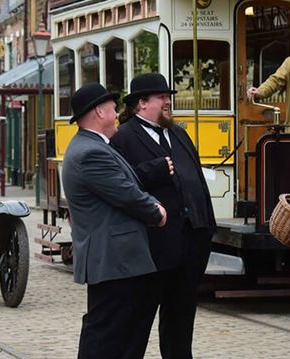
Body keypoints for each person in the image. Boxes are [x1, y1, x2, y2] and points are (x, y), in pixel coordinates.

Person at [111, 73, 216, 359]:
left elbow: (197, 181)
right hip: (152, 247)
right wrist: (151, 171)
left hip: (190, 242)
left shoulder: (179, 133)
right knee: (140, 319)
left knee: (181, 320)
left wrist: (207, 227)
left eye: (168, 96)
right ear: (141, 104)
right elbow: (119, 185)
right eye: (161, 97)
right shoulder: (123, 137)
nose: (168, 101)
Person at [61, 83, 167, 359]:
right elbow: (127, 194)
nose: (118, 113)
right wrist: (156, 210)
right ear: (99, 111)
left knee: (124, 336)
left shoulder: (94, 146)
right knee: (108, 336)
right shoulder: (90, 153)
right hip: (113, 261)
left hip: (118, 262)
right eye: (113, 107)